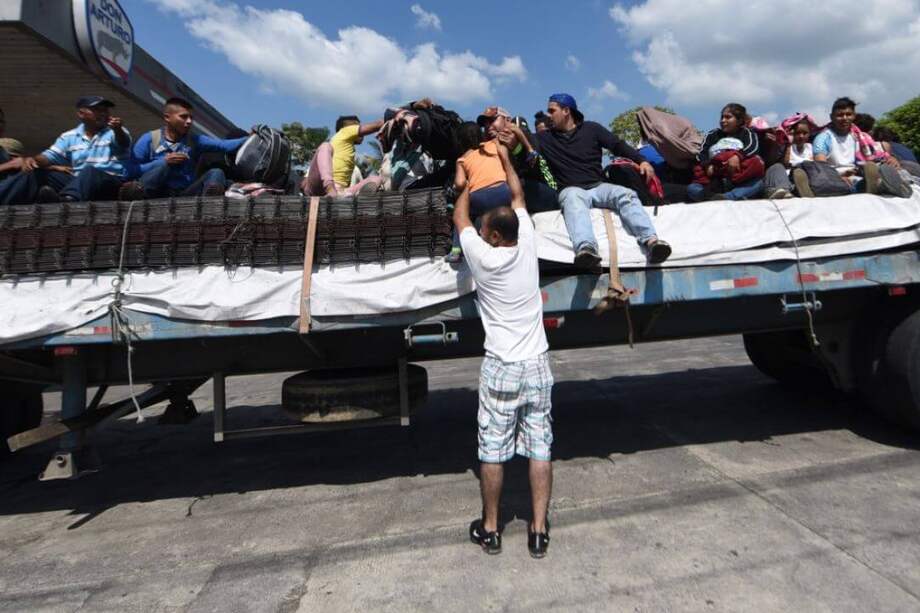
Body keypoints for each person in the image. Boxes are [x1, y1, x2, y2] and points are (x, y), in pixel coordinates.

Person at [454, 148, 554, 559]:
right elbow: (518, 197)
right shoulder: (527, 243)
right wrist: (507, 161)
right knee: (540, 447)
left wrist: (464, 185)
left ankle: (491, 529)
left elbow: (459, 218)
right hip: (537, 364)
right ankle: (538, 530)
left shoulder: (483, 259)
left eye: (484, 230)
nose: (479, 234)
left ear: (494, 237)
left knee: (492, 450)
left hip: (501, 367)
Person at [535, 93, 671, 268]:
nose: (548, 115)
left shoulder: (592, 129)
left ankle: (652, 242)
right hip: (571, 189)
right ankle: (586, 250)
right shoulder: (545, 138)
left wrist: (642, 161)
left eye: (552, 111)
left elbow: (618, 145)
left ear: (566, 111)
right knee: (573, 200)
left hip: (598, 186)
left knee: (625, 194)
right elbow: (521, 141)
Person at [0, 96, 134, 205]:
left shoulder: (115, 132)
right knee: (34, 173)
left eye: (105, 110)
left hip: (110, 184)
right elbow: (48, 157)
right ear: (81, 114)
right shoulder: (69, 136)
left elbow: (123, 142)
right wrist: (32, 160)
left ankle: (67, 202)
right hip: (78, 183)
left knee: (90, 171)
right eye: (97, 110)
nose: (103, 113)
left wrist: (118, 129)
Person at [122, 97, 248, 199]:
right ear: (167, 117)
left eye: (191, 118)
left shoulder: (195, 140)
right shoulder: (149, 139)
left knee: (216, 173)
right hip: (155, 192)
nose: (189, 121)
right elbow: (129, 172)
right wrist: (163, 161)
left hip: (184, 194)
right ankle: (135, 194)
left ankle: (209, 205)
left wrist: (251, 136)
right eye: (183, 117)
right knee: (163, 166)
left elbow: (224, 145)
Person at [811, 97, 910, 197]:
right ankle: (879, 186)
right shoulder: (822, 138)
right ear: (832, 117)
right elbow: (821, 167)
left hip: (860, 172)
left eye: (848, 114)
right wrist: (838, 178)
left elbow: (877, 156)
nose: (845, 118)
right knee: (852, 182)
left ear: (854, 116)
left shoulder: (862, 137)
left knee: (880, 168)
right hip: (838, 177)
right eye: (840, 115)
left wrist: (891, 159)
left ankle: (884, 184)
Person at [446, 122, 513, 262]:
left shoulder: (462, 159)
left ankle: (456, 250)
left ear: (460, 140)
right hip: (504, 192)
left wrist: (463, 185)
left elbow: (459, 183)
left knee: (462, 214)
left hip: (480, 197)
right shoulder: (492, 145)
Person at [478, 106, 559, 213]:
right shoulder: (487, 147)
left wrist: (517, 149)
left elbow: (536, 168)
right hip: (513, 198)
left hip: (545, 192)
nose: (488, 126)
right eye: (485, 124)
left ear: (507, 120)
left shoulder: (526, 137)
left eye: (492, 120)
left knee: (514, 186)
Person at [688, 103, 765, 202]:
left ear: (739, 120)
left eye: (728, 117)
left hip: (738, 180)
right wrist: (707, 165)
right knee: (692, 188)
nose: (723, 120)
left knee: (758, 184)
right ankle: (712, 196)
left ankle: (726, 197)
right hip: (714, 181)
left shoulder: (747, 133)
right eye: (722, 117)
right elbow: (701, 153)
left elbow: (753, 148)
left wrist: (737, 156)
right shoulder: (713, 134)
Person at [301, 115, 384, 197]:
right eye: (357, 127)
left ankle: (351, 195)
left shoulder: (347, 149)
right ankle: (330, 188)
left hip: (340, 191)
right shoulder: (344, 132)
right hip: (320, 186)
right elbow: (377, 125)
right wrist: (390, 118)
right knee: (325, 146)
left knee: (377, 179)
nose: (362, 133)